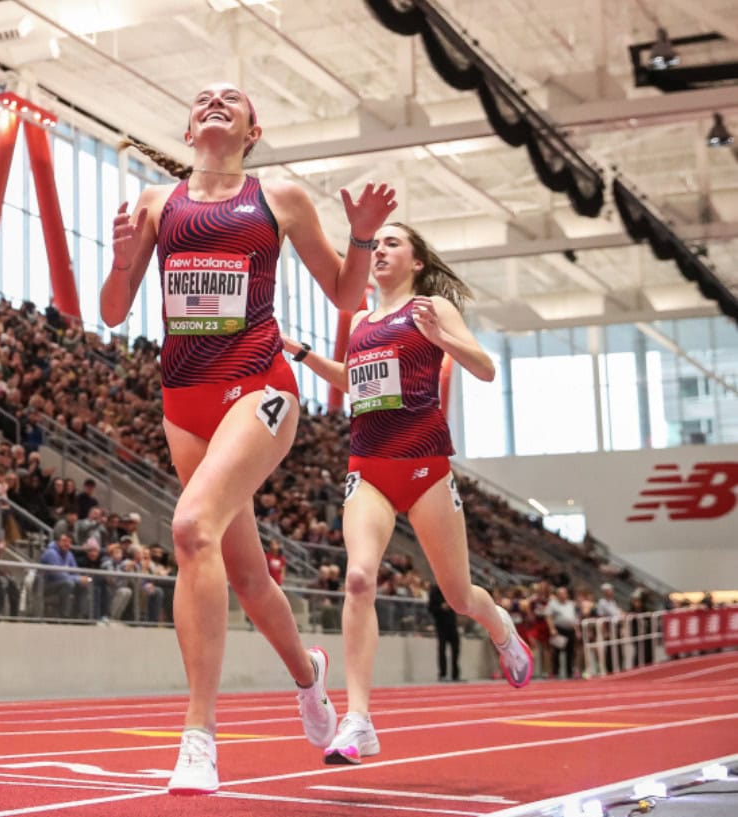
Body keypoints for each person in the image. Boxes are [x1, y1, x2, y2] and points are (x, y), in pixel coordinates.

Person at [101, 82, 395, 793]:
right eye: (203, 97)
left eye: (231, 99)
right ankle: (308, 676)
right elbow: (113, 312)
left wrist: (360, 237)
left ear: (251, 130)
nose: (214, 101)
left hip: (261, 389)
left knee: (191, 527)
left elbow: (348, 295)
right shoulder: (152, 203)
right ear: (188, 125)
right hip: (183, 405)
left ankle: (198, 734)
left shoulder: (281, 198)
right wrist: (117, 258)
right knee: (247, 576)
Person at [285, 222, 532, 765]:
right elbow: (355, 381)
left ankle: (501, 627)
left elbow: (486, 369)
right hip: (368, 466)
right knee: (357, 578)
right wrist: (301, 353)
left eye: (393, 243)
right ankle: (359, 720)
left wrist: (442, 338)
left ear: (417, 261)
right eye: (376, 244)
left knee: (459, 596)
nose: (379, 251)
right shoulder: (362, 322)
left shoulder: (430, 308)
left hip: (424, 468)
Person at [427, 583, 460, 682]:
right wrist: (442, 607)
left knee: (456, 650)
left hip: (452, 624)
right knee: (442, 650)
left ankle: (455, 675)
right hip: (441, 624)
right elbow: (430, 608)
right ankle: (443, 674)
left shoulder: (451, 590)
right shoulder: (435, 591)